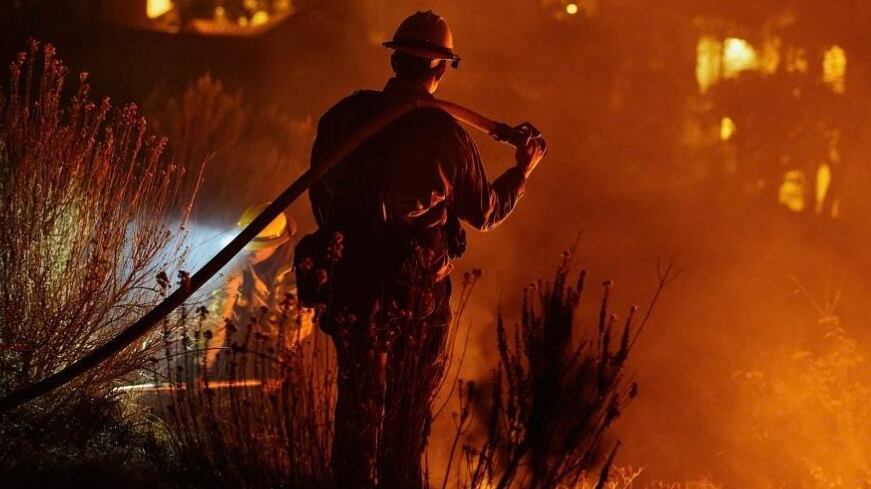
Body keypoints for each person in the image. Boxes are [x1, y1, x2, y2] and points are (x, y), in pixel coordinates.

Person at [306, 10, 547, 488]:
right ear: (440, 70)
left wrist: (347, 247)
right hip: (412, 296)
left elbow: (319, 194)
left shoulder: (343, 116)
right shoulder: (446, 136)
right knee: (406, 405)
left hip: (350, 285)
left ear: (395, 60)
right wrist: (522, 171)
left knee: (355, 397)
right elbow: (484, 212)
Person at [205, 203, 312, 373]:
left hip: (283, 351)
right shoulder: (234, 266)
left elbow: (297, 327)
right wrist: (204, 364)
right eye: (245, 247)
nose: (247, 253)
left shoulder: (300, 270)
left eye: (255, 250)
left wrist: (278, 366)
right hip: (240, 345)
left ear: (277, 243)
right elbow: (216, 316)